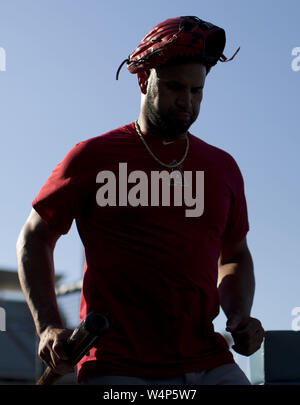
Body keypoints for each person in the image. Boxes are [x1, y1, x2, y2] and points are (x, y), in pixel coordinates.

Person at [16, 16, 264, 385]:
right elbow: (35, 237)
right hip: (117, 368)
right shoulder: (91, 157)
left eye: (197, 91)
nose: (188, 102)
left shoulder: (222, 167)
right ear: (143, 80)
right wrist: (49, 326)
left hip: (210, 361)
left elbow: (235, 256)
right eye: (176, 87)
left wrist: (240, 313)